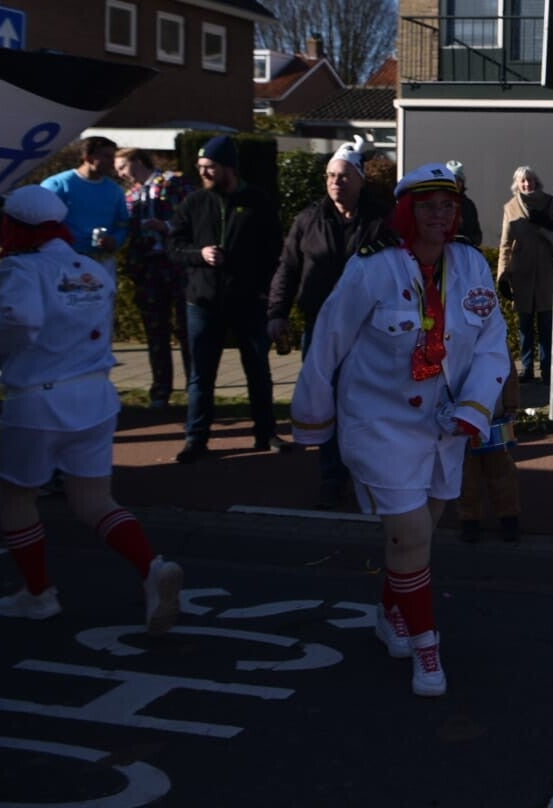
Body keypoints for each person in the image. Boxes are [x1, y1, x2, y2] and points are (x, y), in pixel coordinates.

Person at [290, 163, 510, 696]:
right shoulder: (372, 267)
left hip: (444, 426)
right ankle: (426, 649)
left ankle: (392, 612)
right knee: (411, 533)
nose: (440, 216)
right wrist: (314, 420)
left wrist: (475, 407)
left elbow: (491, 342)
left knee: (417, 534)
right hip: (379, 422)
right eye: (428, 206)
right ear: (407, 212)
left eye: (448, 206)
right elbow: (328, 341)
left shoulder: (471, 265)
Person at [0, 186, 183, 631]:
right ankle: (151, 569)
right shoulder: (92, 270)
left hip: (37, 401)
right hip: (95, 398)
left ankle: (38, 594)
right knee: (94, 499)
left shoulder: (22, 267)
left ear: (15, 226)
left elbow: (20, 321)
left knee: (16, 496)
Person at [267, 139, 389, 506]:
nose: (336, 182)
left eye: (344, 176)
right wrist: (277, 313)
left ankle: (368, 473)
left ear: (361, 180)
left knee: (366, 403)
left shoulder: (382, 220)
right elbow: (288, 267)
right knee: (325, 400)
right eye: (331, 176)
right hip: (319, 326)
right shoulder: (308, 220)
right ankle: (332, 476)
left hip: (367, 330)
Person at [168, 136, 286, 463]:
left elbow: (274, 249)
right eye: (201, 166)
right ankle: (196, 439)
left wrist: (264, 290)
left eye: (210, 167)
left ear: (228, 167)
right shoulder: (193, 203)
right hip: (203, 303)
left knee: (258, 371)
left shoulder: (257, 201)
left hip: (248, 301)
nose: (203, 172)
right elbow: (173, 247)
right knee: (201, 376)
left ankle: (266, 433)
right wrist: (199, 254)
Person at [114, 147, 191, 408]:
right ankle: (160, 390)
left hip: (176, 264)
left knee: (186, 328)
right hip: (147, 267)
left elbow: (192, 216)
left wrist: (166, 226)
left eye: (123, 167)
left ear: (137, 161)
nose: (121, 174)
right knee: (155, 330)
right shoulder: (131, 195)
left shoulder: (171, 182)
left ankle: (195, 387)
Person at [496, 166, 553, 383]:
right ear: (517, 184)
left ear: (537, 182)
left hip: (547, 272)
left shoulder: (551, 203)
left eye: (530, 180)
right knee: (525, 326)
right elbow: (505, 244)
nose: (527, 184)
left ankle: (547, 370)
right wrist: (502, 275)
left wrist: (551, 225)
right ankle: (527, 368)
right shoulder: (510, 207)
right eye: (523, 181)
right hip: (522, 273)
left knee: (546, 325)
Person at [41, 135, 128, 279]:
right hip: (63, 263)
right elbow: (42, 223)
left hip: (101, 264)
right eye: (107, 156)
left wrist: (115, 240)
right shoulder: (58, 185)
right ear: (89, 158)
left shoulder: (115, 190)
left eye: (113, 157)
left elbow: (122, 223)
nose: (112, 162)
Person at [457, 358, 522, 543]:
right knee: (467, 475)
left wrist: (511, 405)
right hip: (464, 418)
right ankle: (469, 520)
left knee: (501, 472)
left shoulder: (497, 343)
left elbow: (509, 373)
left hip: (494, 417)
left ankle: (509, 518)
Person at [446, 160, 484, 248]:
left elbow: (477, 236)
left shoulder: (469, 205)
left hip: (465, 251)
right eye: (452, 180)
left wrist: (466, 238)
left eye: (459, 180)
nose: (455, 184)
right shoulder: (437, 204)